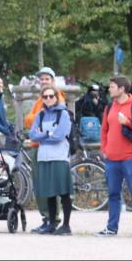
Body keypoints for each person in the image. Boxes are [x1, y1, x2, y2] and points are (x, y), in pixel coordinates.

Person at [95, 76, 132, 237]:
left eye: (112, 86)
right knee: (113, 193)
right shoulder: (109, 107)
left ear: (121, 89)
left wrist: (127, 121)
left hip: (131, 157)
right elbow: (104, 130)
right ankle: (111, 228)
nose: (109, 89)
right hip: (112, 159)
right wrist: (105, 149)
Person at [24, 67, 67, 230]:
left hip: (47, 146)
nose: (43, 81)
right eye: (41, 79)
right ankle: (46, 218)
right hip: (37, 145)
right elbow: (30, 120)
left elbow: (51, 119)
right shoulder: (39, 100)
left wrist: (35, 119)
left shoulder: (58, 97)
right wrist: (36, 118)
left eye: (46, 79)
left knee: (48, 183)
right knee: (40, 183)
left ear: (53, 81)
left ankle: (52, 219)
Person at [28, 88, 74, 235]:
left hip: (59, 157)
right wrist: (48, 133)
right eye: (45, 96)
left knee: (64, 191)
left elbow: (59, 136)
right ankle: (52, 224)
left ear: (56, 97)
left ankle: (66, 225)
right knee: (49, 192)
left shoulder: (63, 114)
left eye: (51, 96)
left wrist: (42, 136)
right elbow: (32, 135)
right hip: (43, 157)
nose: (48, 99)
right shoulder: (40, 115)